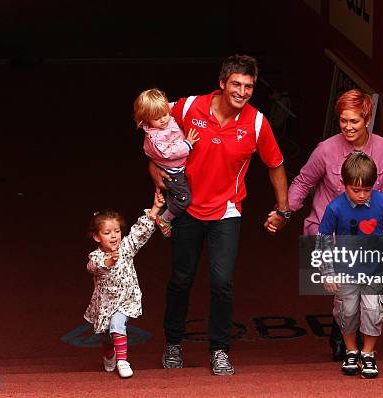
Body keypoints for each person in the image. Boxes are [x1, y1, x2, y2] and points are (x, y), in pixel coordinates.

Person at [148, 54, 289, 375]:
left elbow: (276, 166)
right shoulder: (187, 107)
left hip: (227, 211)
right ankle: (172, 343)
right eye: (236, 84)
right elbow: (151, 122)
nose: (242, 92)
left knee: (221, 282)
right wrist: (153, 164)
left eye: (249, 87)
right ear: (222, 83)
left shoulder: (256, 123)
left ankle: (220, 349)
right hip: (186, 208)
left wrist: (283, 210)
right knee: (181, 279)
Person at [268, 88, 383, 361]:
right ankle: (345, 339)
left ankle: (359, 344)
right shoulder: (326, 150)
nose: (348, 127)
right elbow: (304, 181)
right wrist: (284, 212)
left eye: (354, 121)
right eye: (343, 120)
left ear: (367, 119)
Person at [317, 152, 383, 379]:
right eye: (356, 190)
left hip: (374, 270)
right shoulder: (334, 208)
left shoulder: (382, 201)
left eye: (367, 189)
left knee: (373, 311)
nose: (362, 195)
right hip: (345, 270)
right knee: (347, 312)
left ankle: (368, 353)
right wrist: (327, 272)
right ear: (343, 184)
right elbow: (324, 240)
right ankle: (351, 350)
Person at [83, 192, 165, 378]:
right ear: (97, 237)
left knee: (117, 324)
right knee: (105, 335)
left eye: (117, 231)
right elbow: (93, 267)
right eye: (107, 232)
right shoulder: (96, 256)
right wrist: (109, 261)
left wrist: (155, 208)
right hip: (104, 304)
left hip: (126, 299)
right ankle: (109, 355)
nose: (113, 236)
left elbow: (139, 232)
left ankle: (122, 361)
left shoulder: (126, 248)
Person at [134, 88, 200, 237]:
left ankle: (168, 208)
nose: (163, 119)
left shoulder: (164, 112)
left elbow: (176, 106)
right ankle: (164, 218)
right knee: (184, 199)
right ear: (146, 119)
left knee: (176, 196)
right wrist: (188, 144)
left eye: (164, 114)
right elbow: (169, 153)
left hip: (180, 166)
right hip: (173, 172)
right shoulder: (155, 137)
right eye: (157, 118)